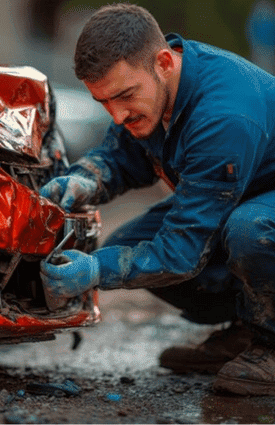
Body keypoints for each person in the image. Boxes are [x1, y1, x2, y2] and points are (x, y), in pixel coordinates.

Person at [39, 2, 275, 396]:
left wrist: (95, 270)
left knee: (249, 229)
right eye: (103, 103)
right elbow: (122, 155)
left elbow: (182, 252)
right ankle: (246, 332)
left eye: (124, 97)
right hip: (242, 195)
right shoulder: (154, 90)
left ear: (164, 62)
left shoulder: (223, 117)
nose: (116, 115)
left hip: (260, 212)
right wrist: (85, 180)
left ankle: (271, 344)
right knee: (124, 248)